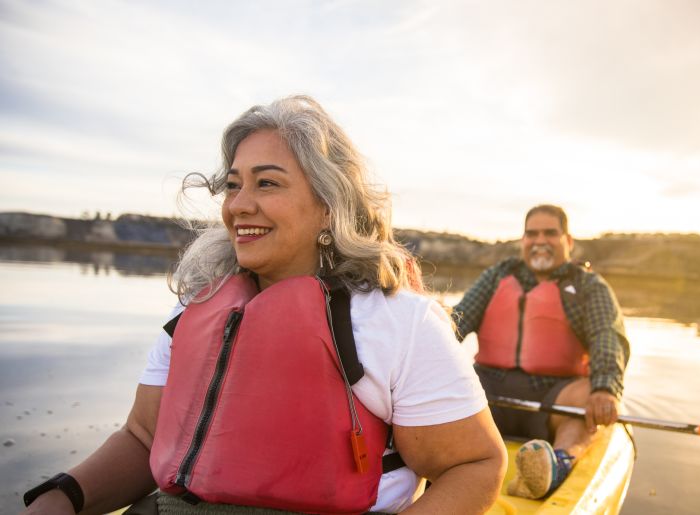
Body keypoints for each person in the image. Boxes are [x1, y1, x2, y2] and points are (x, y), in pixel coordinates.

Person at [21, 95, 506, 515]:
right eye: (234, 185)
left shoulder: (398, 321)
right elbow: (143, 438)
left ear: (328, 206)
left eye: (267, 183)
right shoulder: (193, 310)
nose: (238, 205)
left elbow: (474, 465)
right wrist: (64, 495)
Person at [451, 204, 629, 500]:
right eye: (531, 234)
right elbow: (457, 322)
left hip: (554, 397)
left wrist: (605, 388)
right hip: (488, 392)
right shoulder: (498, 276)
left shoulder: (587, 286)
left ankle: (557, 463)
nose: (540, 241)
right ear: (523, 240)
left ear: (568, 241)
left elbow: (606, 335)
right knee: (446, 378)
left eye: (550, 233)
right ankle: (437, 459)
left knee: (587, 394)